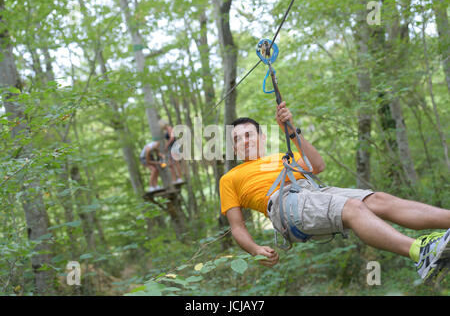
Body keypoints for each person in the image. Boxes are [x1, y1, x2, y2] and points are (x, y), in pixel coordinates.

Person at [220, 101, 450, 282]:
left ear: (262, 137)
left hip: (315, 191)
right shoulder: (230, 178)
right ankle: (420, 252)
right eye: (237, 139)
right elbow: (237, 227)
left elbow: (317, 166)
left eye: (248, 135)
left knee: (378, 199)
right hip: (283, 203)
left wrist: (290, 129)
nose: (244, 141)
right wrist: (255, 249)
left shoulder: (284, 157)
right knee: (352, 208)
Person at [159, 119, 183, 184]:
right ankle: (174, 180)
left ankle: (180, 178)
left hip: (174, 146)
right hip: (170, 148)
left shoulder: (169, 128)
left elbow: (172, 138)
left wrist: (166, 145)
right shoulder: (166, 131)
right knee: (171, 164)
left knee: (176, 162)